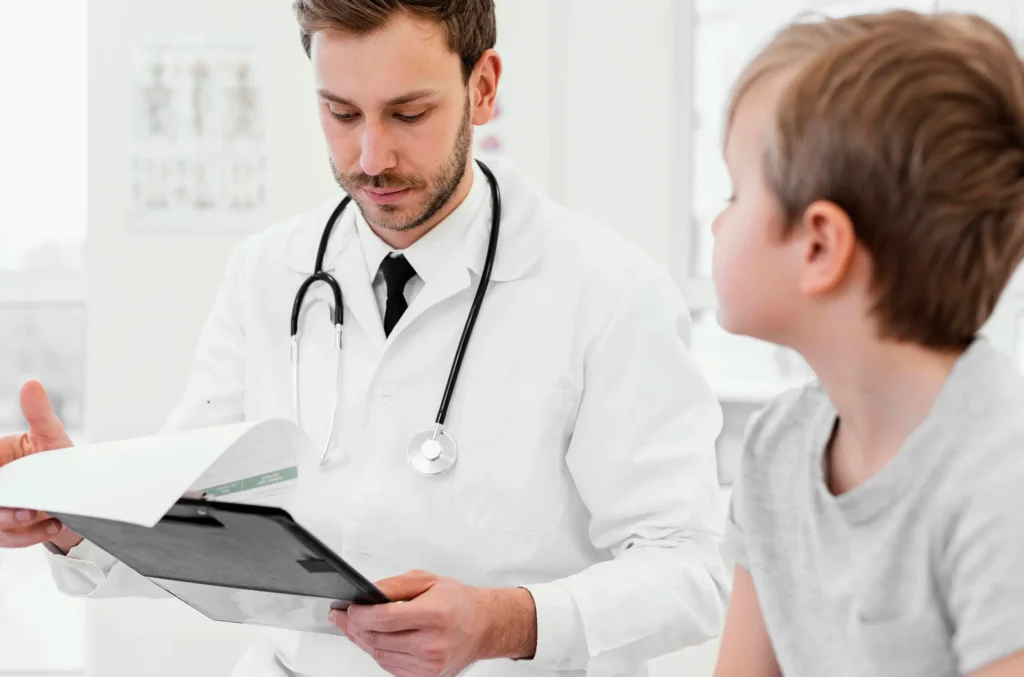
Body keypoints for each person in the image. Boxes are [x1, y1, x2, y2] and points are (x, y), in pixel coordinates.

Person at [0, 1, 730, 676]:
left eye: (409, 113)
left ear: (483, 87)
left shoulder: (607, 291)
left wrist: (510, 620)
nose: (371, 157)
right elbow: (194, 522)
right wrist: (75, 511)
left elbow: (692, 568)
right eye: (340, 112)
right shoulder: (267, 272)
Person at [709, 10, 1024, 677]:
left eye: (736, 192)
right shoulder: (776, 450)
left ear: (820, 245)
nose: (718, 220)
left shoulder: (1001, 480)